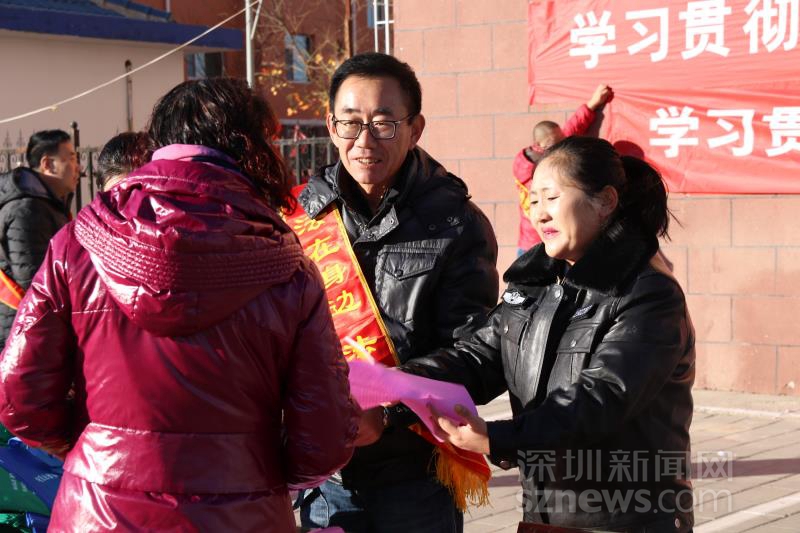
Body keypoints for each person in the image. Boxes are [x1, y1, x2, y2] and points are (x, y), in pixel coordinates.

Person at [0, 78, 359, 532]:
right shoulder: (287, 264)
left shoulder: (77, 243)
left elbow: (20, 398)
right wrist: (253, 469)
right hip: (242, 515)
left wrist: (98, 447)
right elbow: (324, 438)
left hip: (99, 511)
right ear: (253, 148)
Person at [405, 136, 695, 532]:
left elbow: (601, 398)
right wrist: (396, 388)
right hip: (544, 513)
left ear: (605, 202)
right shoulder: (535, 285)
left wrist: (497, 437)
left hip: (627, 518)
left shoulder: (648, 294)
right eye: (533, 200)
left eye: (552, 197)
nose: (539, 213)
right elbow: (478, 358)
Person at [295, 52, 499, 533]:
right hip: (325, 475)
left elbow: (480, 353)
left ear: (415, 128)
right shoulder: (300, 219)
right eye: (350, 123)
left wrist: (388, 411)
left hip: (416, 475)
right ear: (331, 126)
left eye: (383, 124)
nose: (364, 141)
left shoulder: (456, 224)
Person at [0, 129, 79, 348]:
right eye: (71, 158)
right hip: (22, 333)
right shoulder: (27, 210)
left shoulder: (47, 204)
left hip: (34, 327)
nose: (78, 167)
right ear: (48, 164)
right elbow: (34, 281)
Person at [514, 84, 613, 255]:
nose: (563, 145)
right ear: (541, 146)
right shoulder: (540, 172)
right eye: (536, 201)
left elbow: (571, 129)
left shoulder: (549, 150)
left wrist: (591, 104)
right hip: (536, 245)